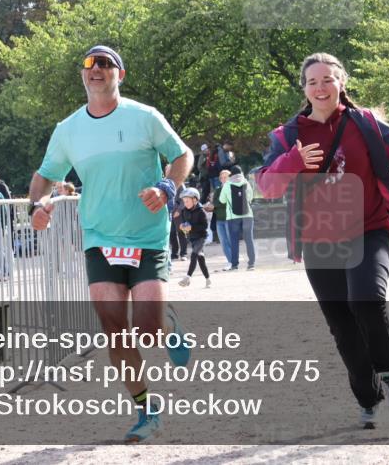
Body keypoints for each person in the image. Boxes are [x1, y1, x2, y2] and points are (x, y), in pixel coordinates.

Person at [255, 52, 389, 429]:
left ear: (342, 83)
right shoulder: (288, 135)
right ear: (304, 89)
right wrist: (293, 161)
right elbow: (266, 185)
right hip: (319, 239)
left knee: (367, 300)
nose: (320, 87)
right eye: (312, 81)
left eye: (327, 79)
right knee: (342, 326)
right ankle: (368, 399)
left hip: (368, 228)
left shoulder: (365, 123)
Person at [28, 44, 193, 443]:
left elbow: (182, 155)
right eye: (89, 63)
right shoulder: (68, 129)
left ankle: (169, 324)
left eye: (106, 63)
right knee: (115, 330)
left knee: (148, 330)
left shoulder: (144, 117)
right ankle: (147, 411)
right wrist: (35, 206)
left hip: (146, 235)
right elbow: (44, 176)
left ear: (121, 74)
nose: (96, 68)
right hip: (100, 238)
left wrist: (167, 186)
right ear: (82, 75)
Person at [219, 165, 256, 270]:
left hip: (232, 217)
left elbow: (222, 200)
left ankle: (235, 265)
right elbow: (250, 198)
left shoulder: (227, 184)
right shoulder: (246, 183)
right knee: (249, 240)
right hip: (247, 215)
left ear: (231, 174)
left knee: (234, 241)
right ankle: (251, 264)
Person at [176, 188, 211, 287]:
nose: (185, 203)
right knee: (200, 259)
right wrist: (183, 227)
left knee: (194, 254)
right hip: (192, 238)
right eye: (184, 201)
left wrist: (191, 227)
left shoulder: (201, 211)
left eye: (187, 201)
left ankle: (188, 277)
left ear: (195, 200)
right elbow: (184, 224)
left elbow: (204, 226)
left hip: (201, 237)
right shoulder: (184, 211)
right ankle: (208, 279)